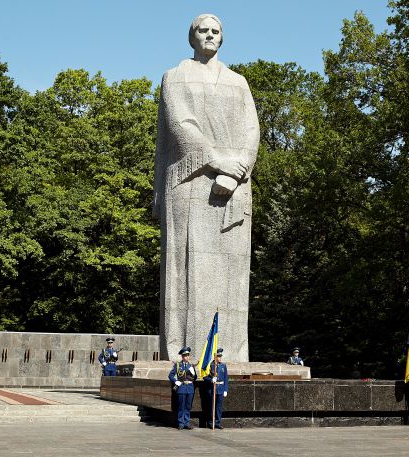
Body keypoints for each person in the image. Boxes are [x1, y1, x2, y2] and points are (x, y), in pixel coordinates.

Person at [153, 14, 260, 362]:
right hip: (191, 184)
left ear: (222, 38)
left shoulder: (238, 82)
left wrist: (237, 170)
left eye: (216, 31)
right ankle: (183, 355)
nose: (210, 35)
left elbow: (251, 131)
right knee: (188, 271)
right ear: (192, 36)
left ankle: (231, 353)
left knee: (233, 278)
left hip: (235, 186)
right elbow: (181, 126)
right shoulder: (175, 77)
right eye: (204, 30)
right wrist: (219, 163)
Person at [169, 347, 197, 430]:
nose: (187, 357)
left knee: (188, 406)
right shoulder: (178, 365)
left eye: (188, 355)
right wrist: (175, 381)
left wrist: (194, 374)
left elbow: (194, 378)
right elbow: (170, 375)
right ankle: (181, 423)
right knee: (181, 406)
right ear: (182, 356)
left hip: (190, 388)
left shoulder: (191, 366)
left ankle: (187, 422)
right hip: (182, 388)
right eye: (185, 355)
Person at [203, 348, 229, 429]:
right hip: (212, 389)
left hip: (220, 389)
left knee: (219, 407)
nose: (220, 358)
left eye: (220, 356)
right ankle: (211, 423)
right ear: (215, 357)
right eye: (218, 356)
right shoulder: (210, 365)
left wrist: (225, 390)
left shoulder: (223, 366)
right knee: (211, 407)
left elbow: (225, 378)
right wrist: (211, 380)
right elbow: (204, 376)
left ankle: (217, 422)